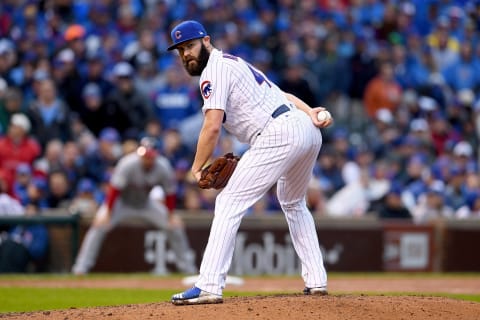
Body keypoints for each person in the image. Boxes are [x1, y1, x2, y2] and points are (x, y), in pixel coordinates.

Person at [167, 20, 333, 305]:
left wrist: (196, 167)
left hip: (278, 133)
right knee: (293, 202)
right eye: (180, 50)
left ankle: (208, 285)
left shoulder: (213, 72)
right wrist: (310, 112)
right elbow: (281, 94)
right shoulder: (235, 63)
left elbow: (212, 126)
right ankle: (316, 281)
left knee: (228, 202)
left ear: (206, 41)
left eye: (190, 46)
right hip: (304, 130)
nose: (186, 54)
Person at [71, 137, 196, 275]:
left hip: (146, 204)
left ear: (156, 155)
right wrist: (107, 211)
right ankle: (81, 268)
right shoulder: (128, 163)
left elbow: (170, 194)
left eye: (150, 156)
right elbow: (114, 190)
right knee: (98, 225)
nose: (147, 159)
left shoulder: (163, 167)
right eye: (144, 155)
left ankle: (188, 269)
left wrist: (171, 215)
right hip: (121, 203)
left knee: (175, 226)